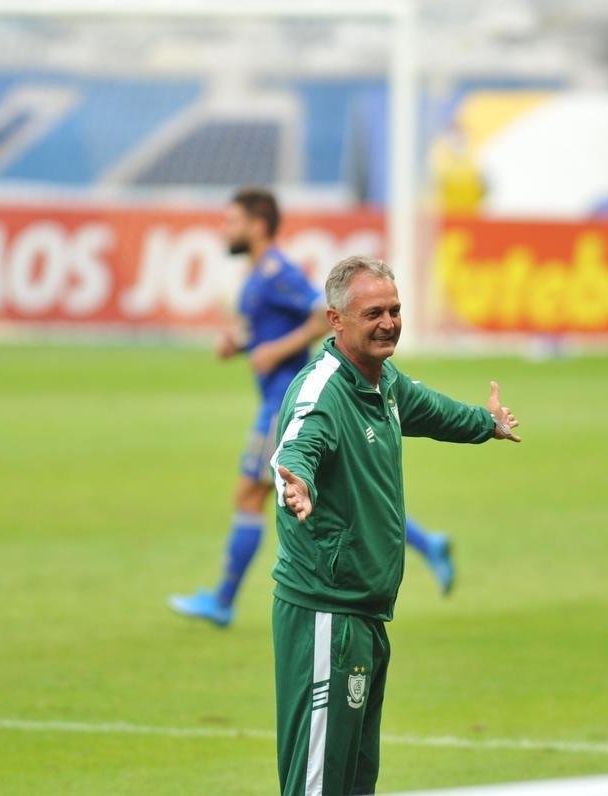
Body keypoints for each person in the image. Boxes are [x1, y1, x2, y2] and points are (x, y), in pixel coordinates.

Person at [271, 256, 520, 795]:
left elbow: (428, 409)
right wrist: (298, 485)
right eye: (374, 313)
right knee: (317, 784)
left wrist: (486, 424)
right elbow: (297, 449)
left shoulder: (380, 381)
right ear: (336, 321)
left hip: (364, 614)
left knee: (355, 782)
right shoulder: (324, 392)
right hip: (325, 615)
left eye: (395, 310)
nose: (389, 323)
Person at [169, 189, 457, 629]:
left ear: (258, 225)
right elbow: (274, 326)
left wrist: (274, 350)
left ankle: (224, 600)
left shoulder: (277, 271)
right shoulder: (257, 273)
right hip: (276, 396)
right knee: (342, 494)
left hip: (284, 403)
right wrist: (243, 343)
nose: (225, 230)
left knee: (249, 495)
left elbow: (323, 316)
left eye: (233, 221)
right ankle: (427, 542)